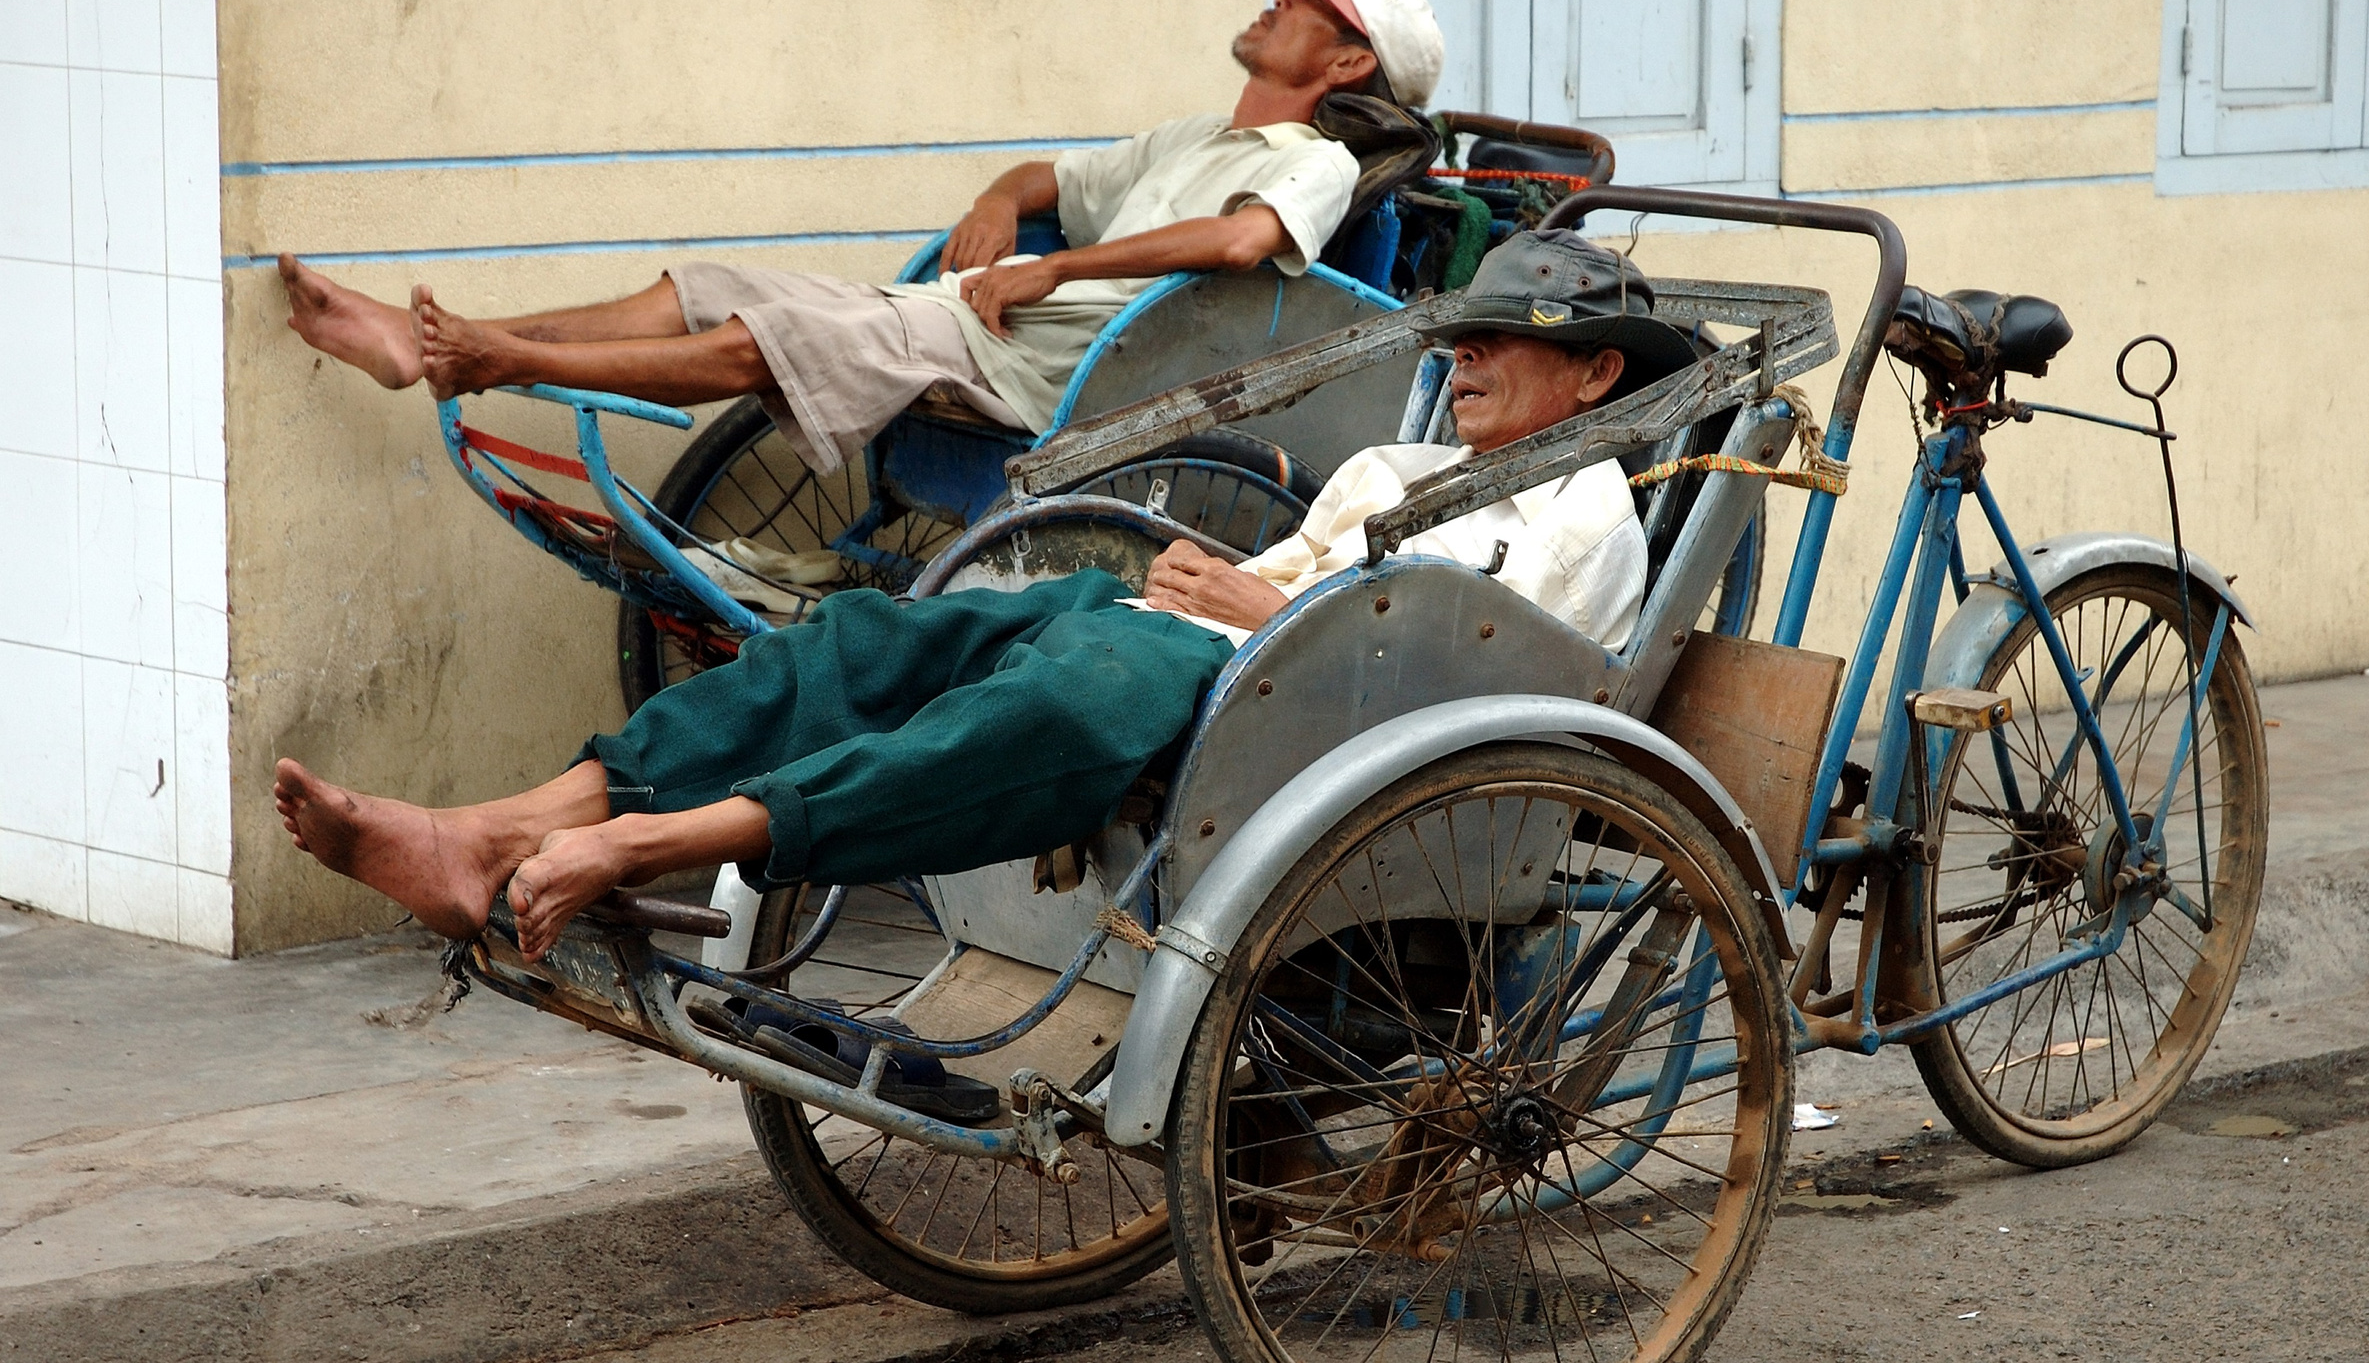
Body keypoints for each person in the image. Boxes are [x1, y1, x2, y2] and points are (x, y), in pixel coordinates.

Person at [272, 232, 1698, 963]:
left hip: (1301, 731)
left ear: (1597, 377)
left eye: (1509, 342)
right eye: (1468, 335)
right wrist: (1242, 592)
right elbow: (1316, 584)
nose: (1470, 359)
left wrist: (1257, 605)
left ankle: (644, 845)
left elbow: (1464, 685)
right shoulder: (1405, 455)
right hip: (1207, 646)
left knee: (1028, 710)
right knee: (879, 638)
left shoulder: (1586, 518)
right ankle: (504, 824)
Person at [273, 0, 1445, 473]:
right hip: (969, 316)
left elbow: (1241, 242)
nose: (1277, 2)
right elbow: (1051, 181)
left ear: (1344, 67)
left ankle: (485, 359)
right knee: (706, 288)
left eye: (1308, 6)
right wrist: (998, 201)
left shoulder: (1315, 163)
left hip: (1058, 372)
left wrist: (1050, 273)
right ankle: (433, 336)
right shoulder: (1193, 136)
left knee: (764, 343)